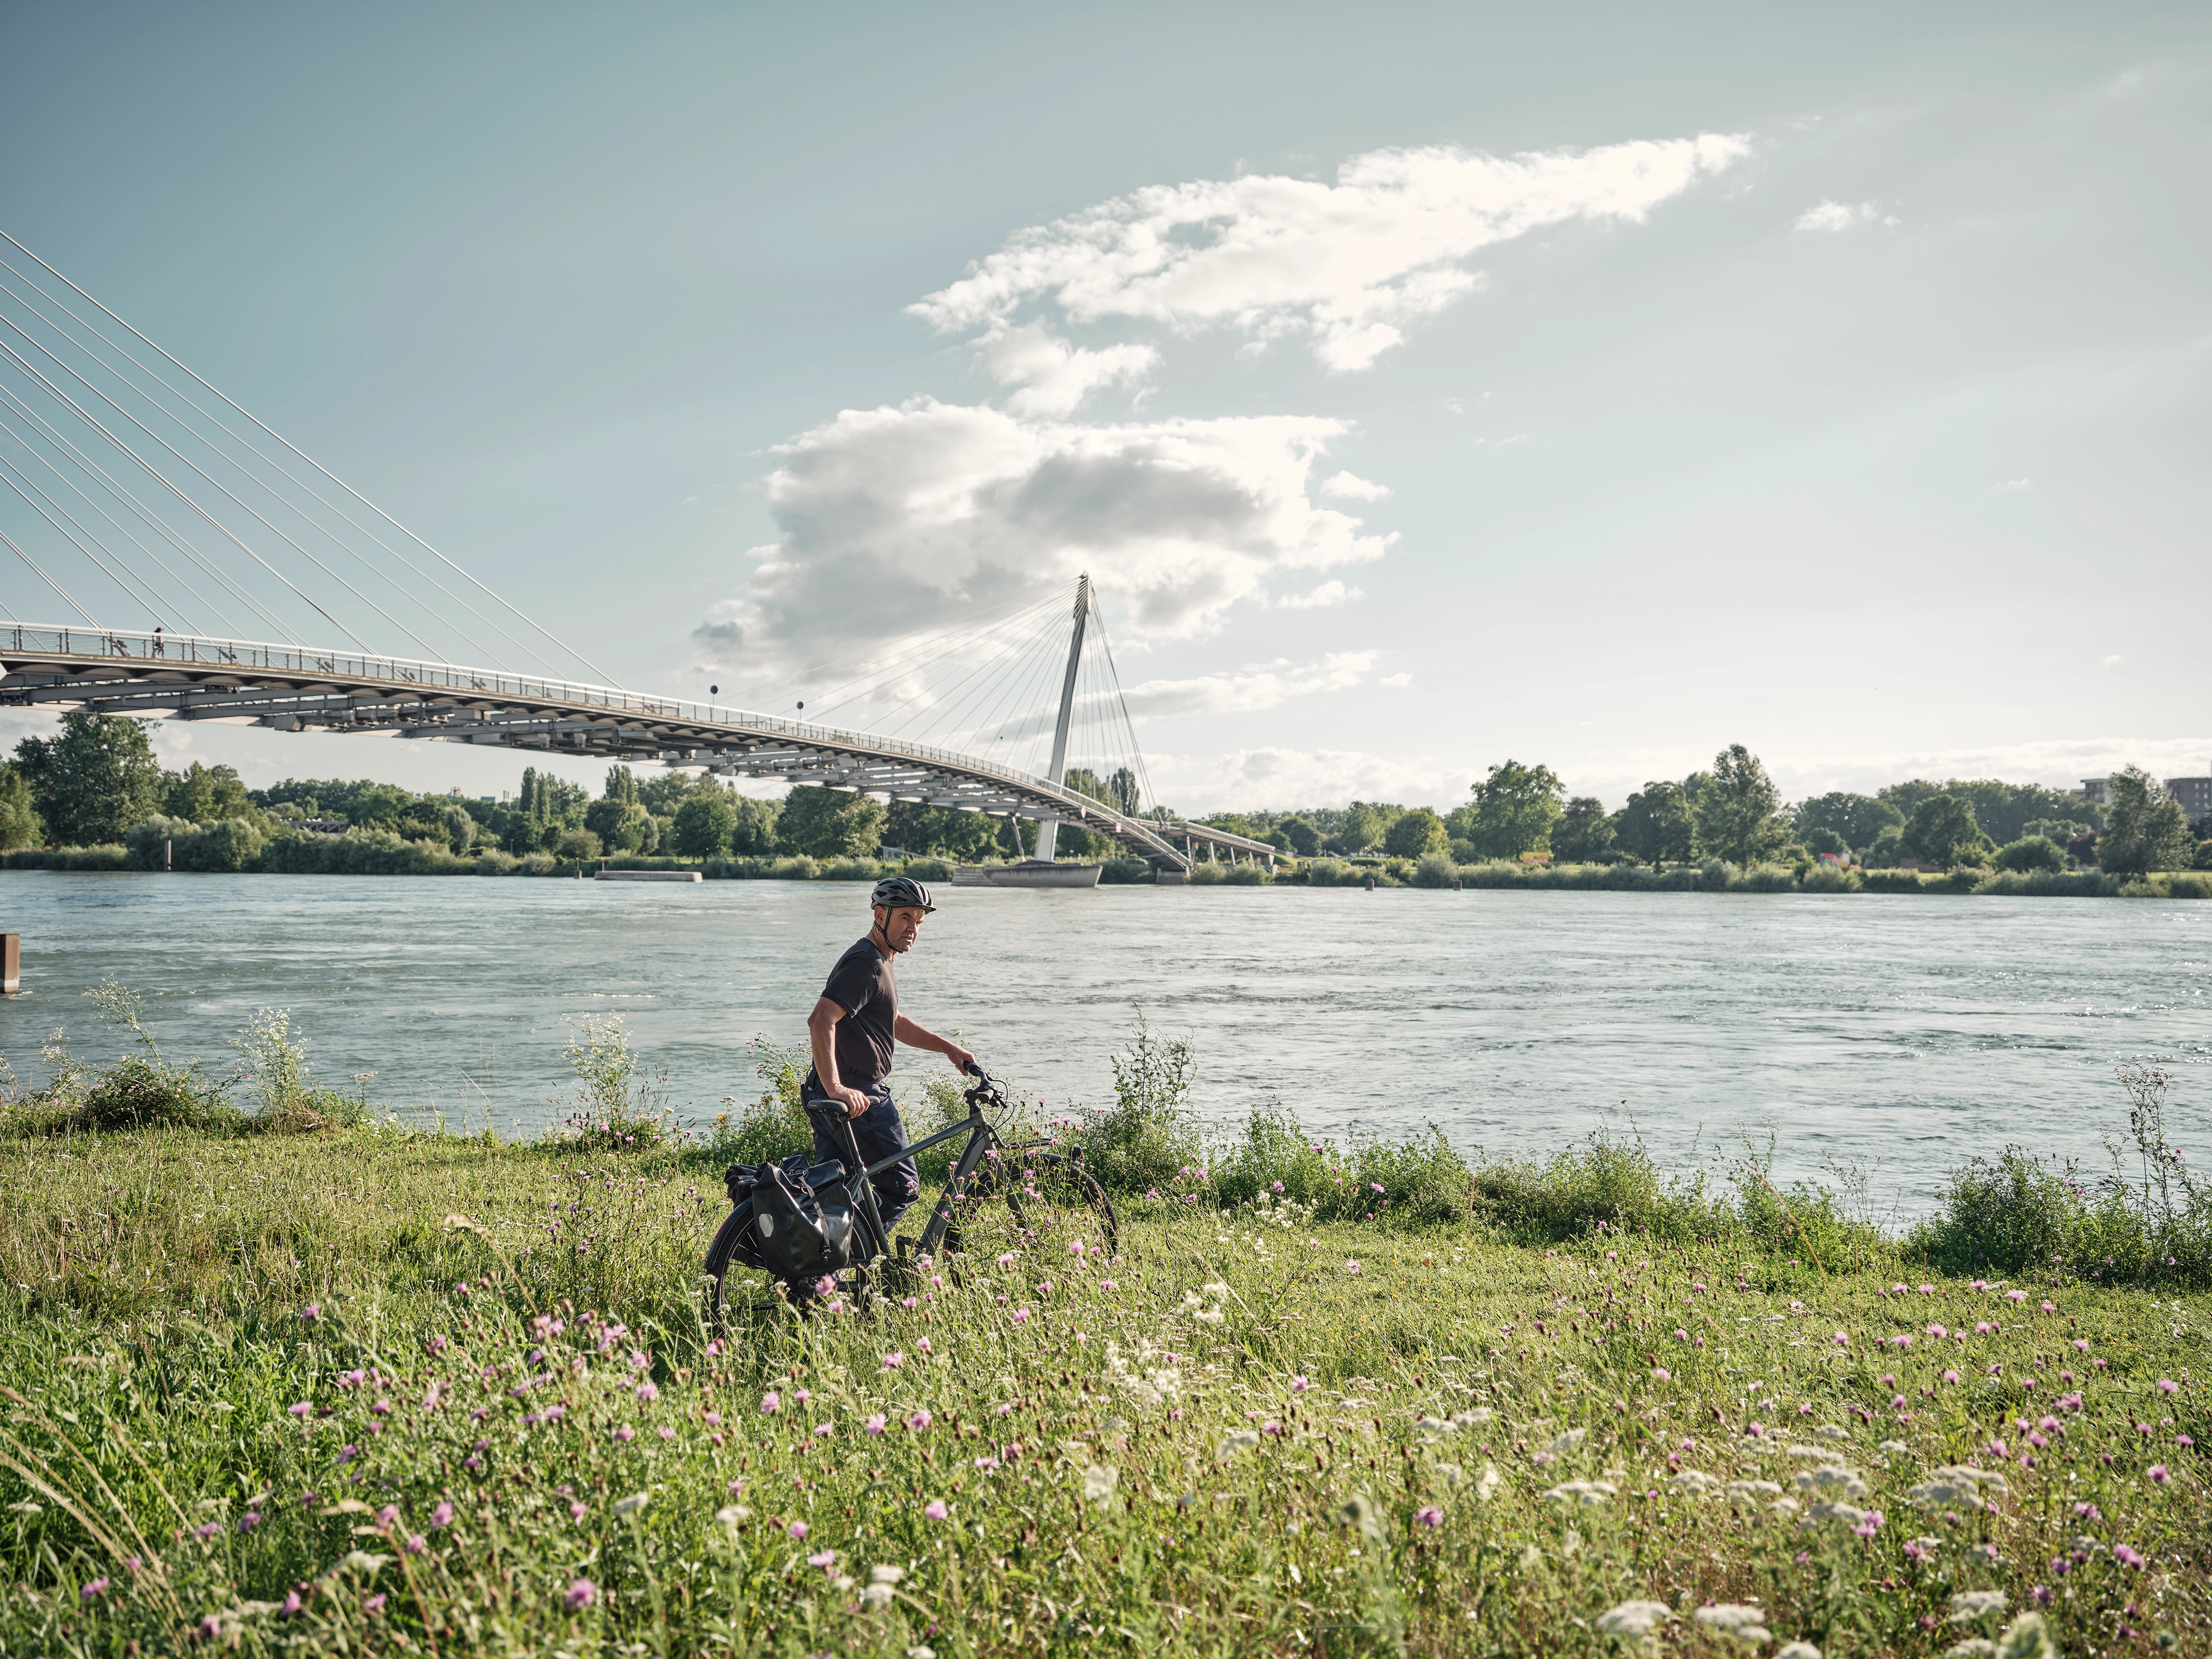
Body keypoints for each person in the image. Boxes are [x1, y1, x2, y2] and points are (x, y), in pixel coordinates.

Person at [803, 875, 975, 1238]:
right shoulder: (868, 963)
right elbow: (821, 1019)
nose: (913, 929)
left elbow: (892, 1021)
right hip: (858, 1096)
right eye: (905, 919)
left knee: (841, 1190)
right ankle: (850, 1258)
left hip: (829, 1090)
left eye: (919, 921)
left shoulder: (878, 960)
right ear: (880, 915)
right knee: (904, 1186)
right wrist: (838, 1088)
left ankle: (822, 1268)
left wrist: (948, 1048)